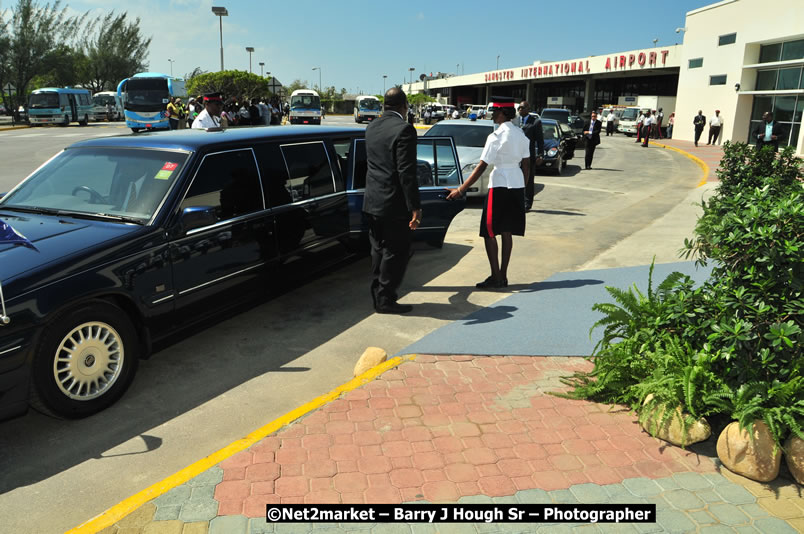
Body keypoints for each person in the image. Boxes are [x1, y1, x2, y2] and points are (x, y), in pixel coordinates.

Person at [446, 96, 529, 289]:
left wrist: (460, 189)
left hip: (499, 183)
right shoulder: (521, 135)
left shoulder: (495, 137)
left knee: (489, 231)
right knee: (507, 231)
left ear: (502, 113)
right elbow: (526, 166)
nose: (492, 115)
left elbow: (481, 167)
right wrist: (522, 189)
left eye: (494, 112)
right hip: (516, 184)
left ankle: (496, 277)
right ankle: (504, 276)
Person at [363, 87, 422, 314]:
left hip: (372, 201)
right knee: (396, 252)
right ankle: (385, 299)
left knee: (378, 250)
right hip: (393, 204)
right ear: (404, 106)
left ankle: (379, 296)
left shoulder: (371, 126)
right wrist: (414, 206)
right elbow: (406, 172)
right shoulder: (404, 129)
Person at [515, 101, 544, 210]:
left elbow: (540, 140)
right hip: (516, 155)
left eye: (522, 108)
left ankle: (527, 203)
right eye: (519, 108)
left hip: (529, 156)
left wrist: (540, 154)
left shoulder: (535, 122)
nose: (520, 110)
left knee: (529, 179)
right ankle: (517, 201)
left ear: (528, 109)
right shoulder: (515, 121)